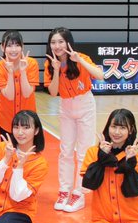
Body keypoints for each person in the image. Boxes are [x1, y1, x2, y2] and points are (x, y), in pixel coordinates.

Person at [44, 27, 104, 213]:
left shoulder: (81, 58)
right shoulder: (50, 64)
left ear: (68, 42)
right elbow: (53, 92)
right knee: (66, 151)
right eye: (53, 42)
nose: (57, 46)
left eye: (61, 41)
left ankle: (79, 193)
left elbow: (100, 75)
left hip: (85, 104)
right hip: (66, 106)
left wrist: (80, 61)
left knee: (84, 152)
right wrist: (55, 71)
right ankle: (64, 191)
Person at [81, 109, 138, 223]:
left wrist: (129, 163)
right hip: (104, 219)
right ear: (107, 127)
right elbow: (89, 184)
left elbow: (133, 191)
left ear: (131, 130)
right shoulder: (93, 153)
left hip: (132, 219)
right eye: (113, 126)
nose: (117, 132)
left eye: (122, 128)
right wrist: (102, 158)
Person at [0, 30, 39, 137]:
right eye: (9, 45)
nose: (13, 49)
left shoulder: (32, 64)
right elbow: (10, 96)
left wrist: (23, 71)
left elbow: (27, 93)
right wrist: (10, 73)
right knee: (8, 148)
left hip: (28, 121)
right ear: (2, 47)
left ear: (22, 47)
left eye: (17, 45)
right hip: (6, 120)